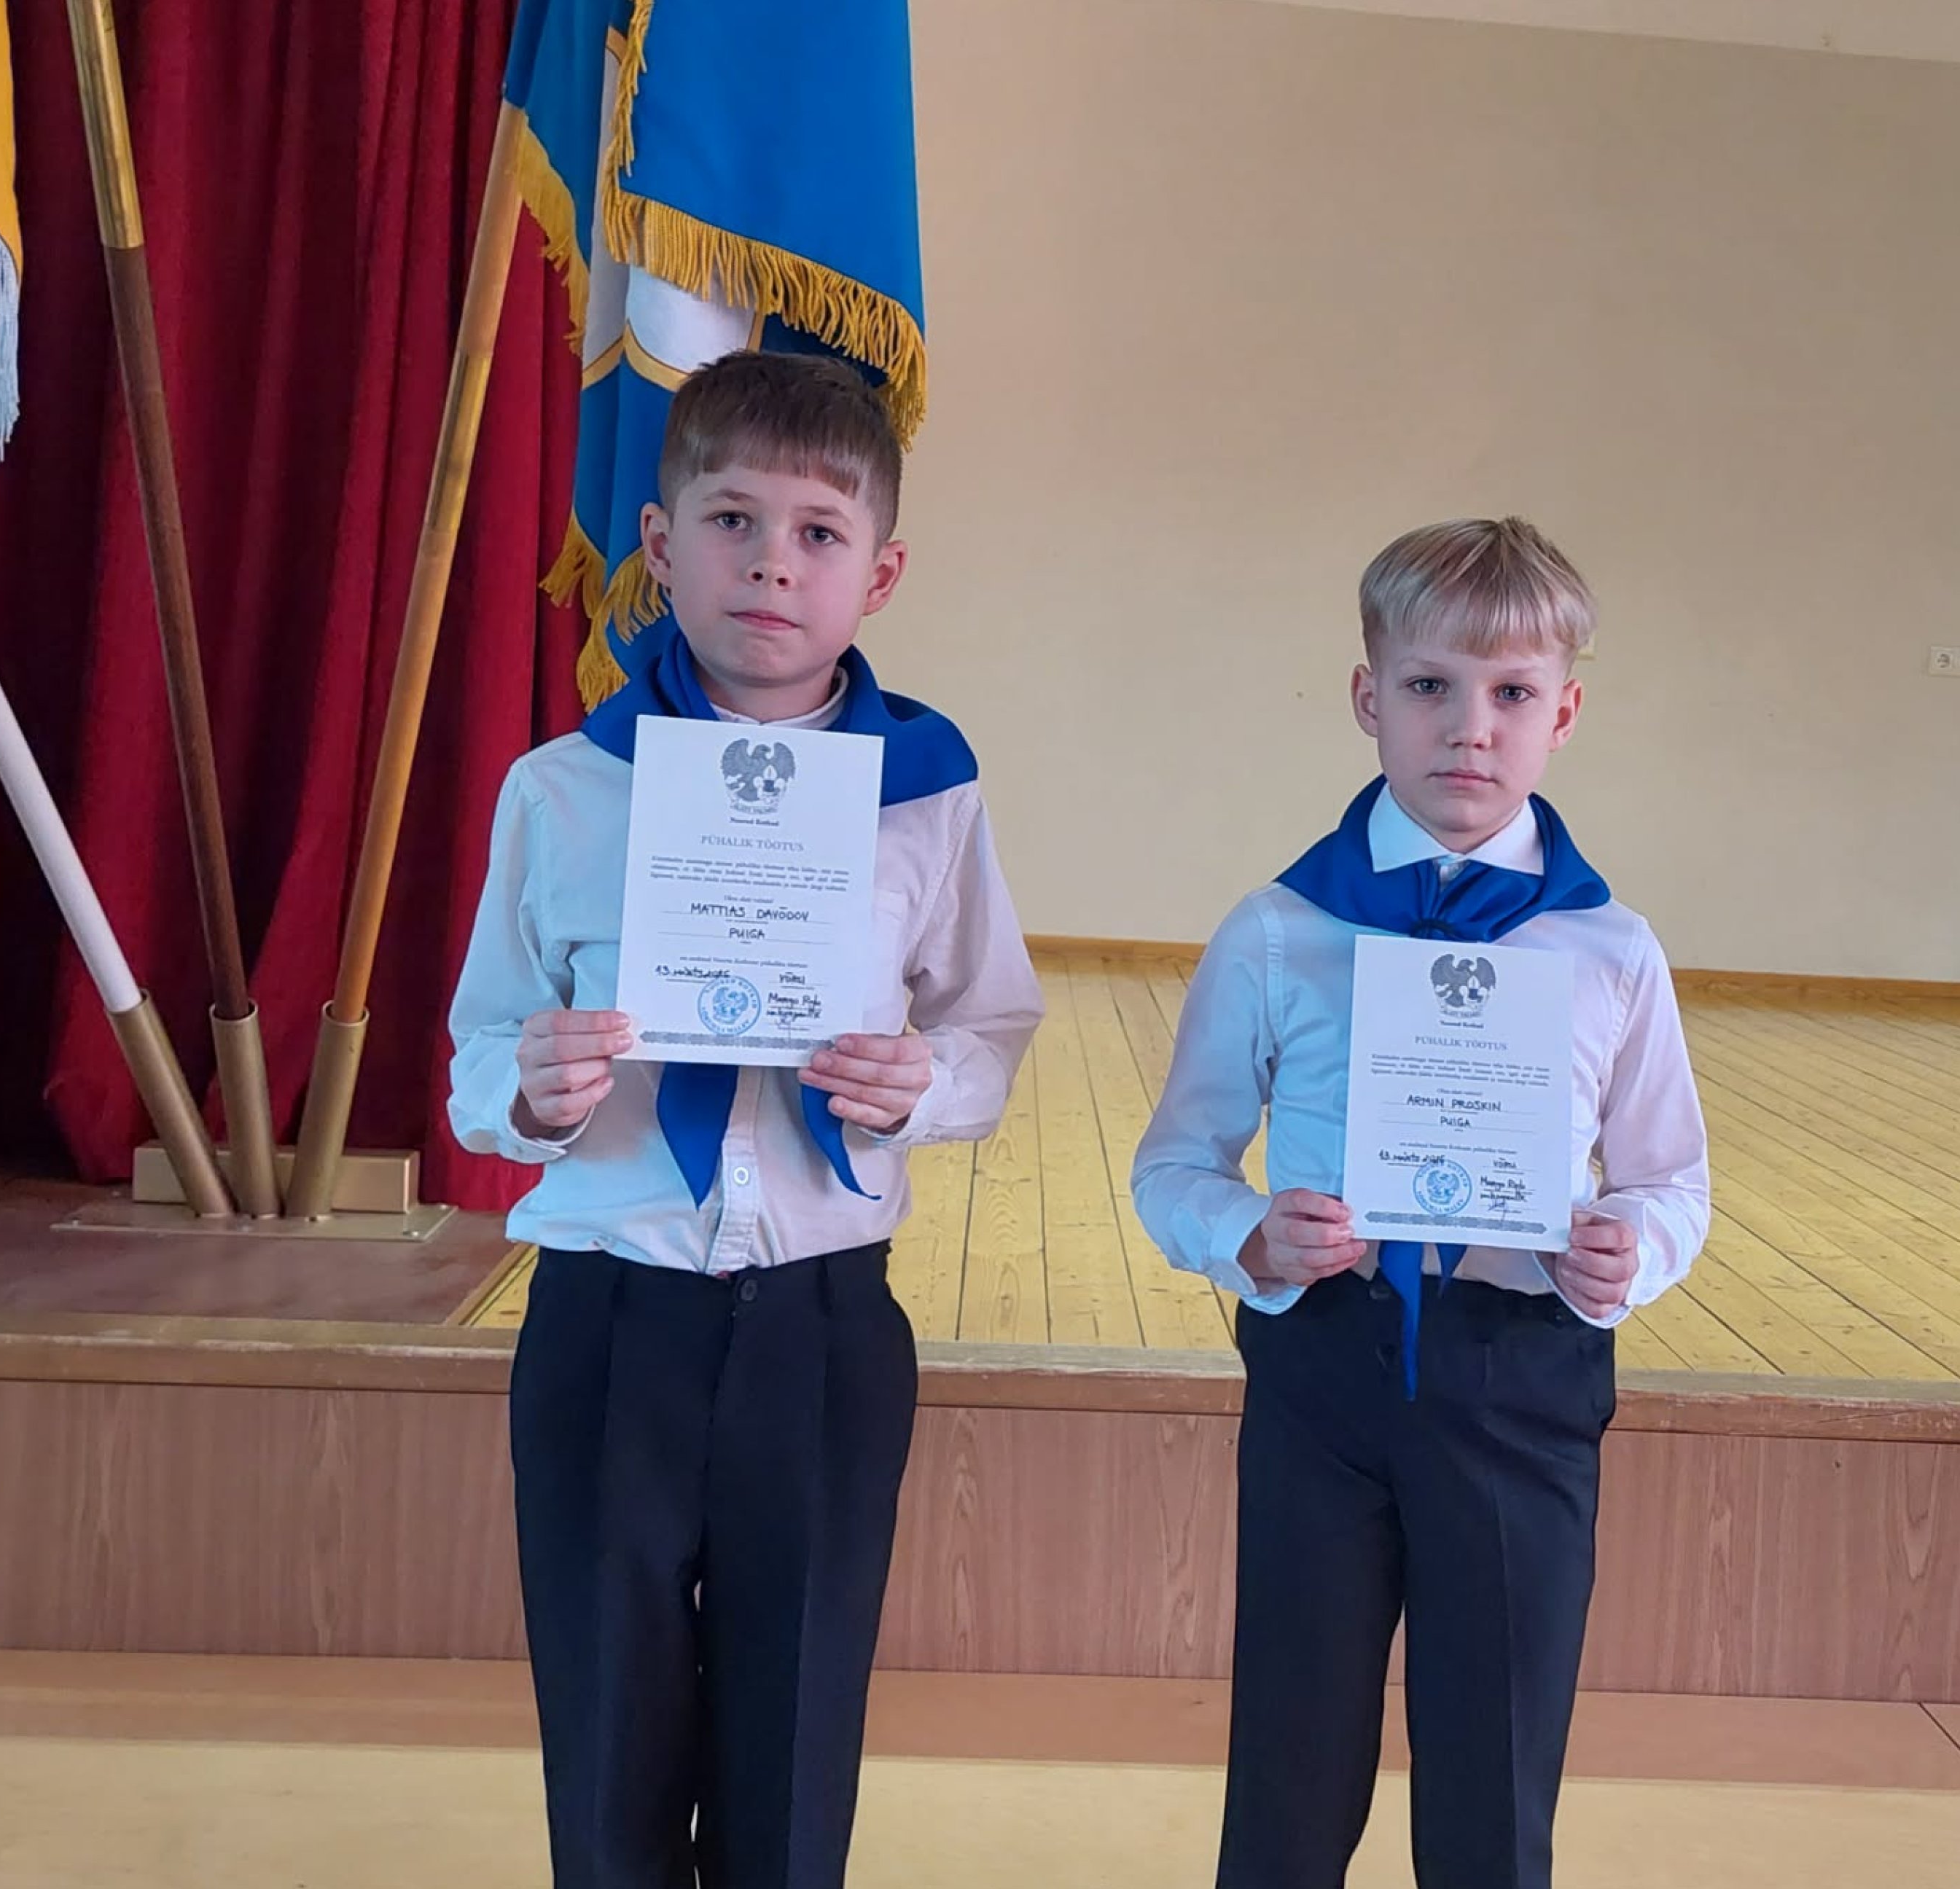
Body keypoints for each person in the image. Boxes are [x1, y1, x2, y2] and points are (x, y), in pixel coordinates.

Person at [448, 350, 1041, 1888]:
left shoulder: (928, 795)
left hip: (823, 1327)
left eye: (820, 533)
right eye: (732, 520)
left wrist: (925, 1085)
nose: (774, 563)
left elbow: (990, 1025)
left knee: (795, 1747)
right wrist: (527, 1087)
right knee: (608, 1741)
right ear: (659, 544)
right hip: (610, 1319)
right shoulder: (561, 791)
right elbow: (479, 1045)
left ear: (879, 575)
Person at [1131, 516, 1711, 1889]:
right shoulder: (1281, 930)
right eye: (1431, 685)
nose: (1470, 727)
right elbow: (1175, 1164)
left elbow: (1672, 1178)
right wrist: (1249, 1236)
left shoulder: (1611, 949)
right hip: (1326, 1374)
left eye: (1512, 693)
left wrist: (1633, 1252)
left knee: (1495, 1788)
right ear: (1368, 696)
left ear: (1564, 713)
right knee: (1289, 1775)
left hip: (1524, 1379)